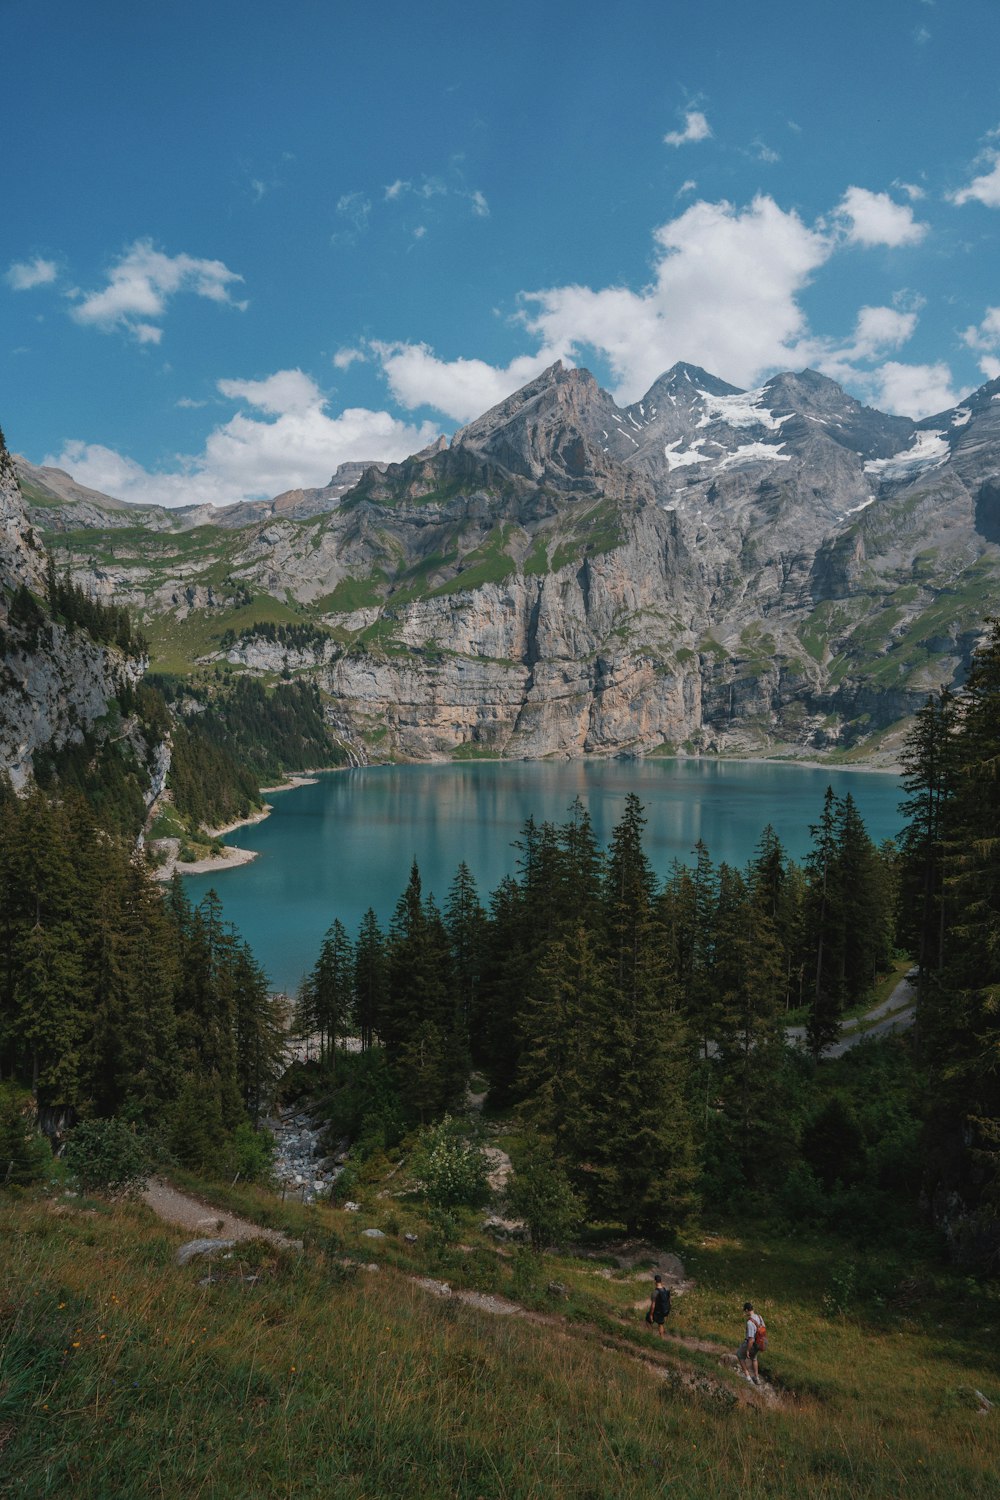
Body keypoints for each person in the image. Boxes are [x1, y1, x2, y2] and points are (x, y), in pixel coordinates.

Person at [737, 1301, 764, 1383]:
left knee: (739, 1355)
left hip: (751, 1343)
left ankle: (748, 1377)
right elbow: (763, 1329)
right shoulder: (760, 1317)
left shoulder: (749, 1322)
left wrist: (748, 1350)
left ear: (747, 1310)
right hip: (759, 1343)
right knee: (754, 1359)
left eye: (745, 1311)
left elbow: (751, 1339)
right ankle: (756, 1378)